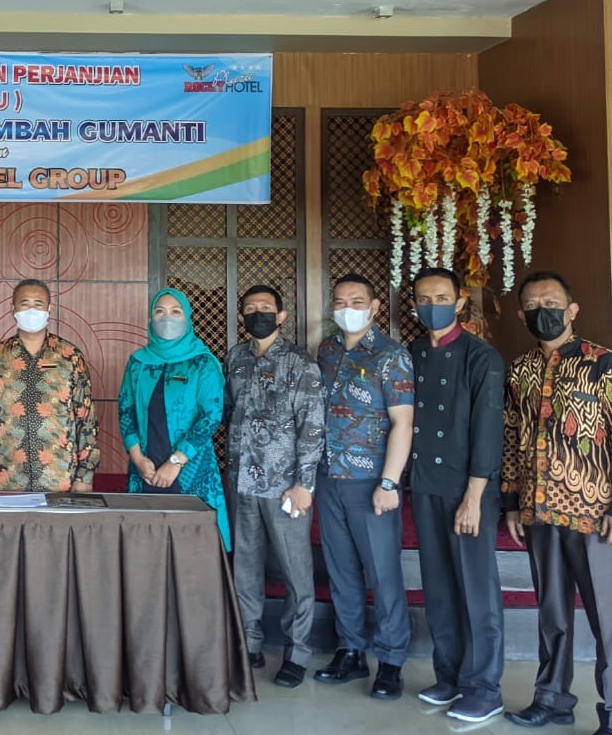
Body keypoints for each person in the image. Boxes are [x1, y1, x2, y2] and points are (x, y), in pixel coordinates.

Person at [502, 270, 612, 735]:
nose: (542, 311)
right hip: (539, 511)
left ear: (572, 309)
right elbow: (511, 438)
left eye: (551, 302)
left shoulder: (603, 365)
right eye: (532, 305)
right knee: (552, 612)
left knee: (608, 619)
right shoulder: (520, 370)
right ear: (521, 314)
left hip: (595, 515)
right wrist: (511, 501)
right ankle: (552, 698)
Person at [408, 267, 506, 722]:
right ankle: (448, 676)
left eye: (442, 297)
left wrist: (474, 497)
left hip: (468, 487)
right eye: (425, 298)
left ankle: (484, 687)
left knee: (476, 588)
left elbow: (487, 431)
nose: (433, 306)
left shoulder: (481, 357)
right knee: (439, 586)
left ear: (460, 302)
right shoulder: (413, 353)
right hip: (426, 483)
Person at [313, 273, 414, 699]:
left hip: (371, 480)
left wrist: (389, 481)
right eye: (340, 302)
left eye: (357, 301)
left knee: (382, 572)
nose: (347, 308)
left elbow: (403, 423)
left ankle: (391, 659)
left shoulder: (391, 356)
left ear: (374, 307)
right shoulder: (327, 350)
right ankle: (350, 649)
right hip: (328, 477)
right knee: (341, 570)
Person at [222, 283, 324, 688]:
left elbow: (312, 427)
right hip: (242, 482)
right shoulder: (235, 358)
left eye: (266, 307)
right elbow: (229, 412)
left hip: (285, 487)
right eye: (250, 308)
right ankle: (249, 641)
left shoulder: (301, 363)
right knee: (245, 567)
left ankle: (297, 651)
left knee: (295, 570)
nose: (258, 313)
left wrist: (304, 484)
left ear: (282, 316)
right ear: (241, 317)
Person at [119, 289, 230, 548]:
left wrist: (176, 461)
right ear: (150, 319)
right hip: (145, 467)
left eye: (175, 312)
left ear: (187, 319)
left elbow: (211, 415)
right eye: (160, 312)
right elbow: (125, 410)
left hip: (190, 466)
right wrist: (137, 457)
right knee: (146, 543)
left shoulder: (202, 363)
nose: (167, 317)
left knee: (191, 545)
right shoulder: (138, 363)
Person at [0, 279, 97, 492]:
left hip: (60, 478)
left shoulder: (69, 356)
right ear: (13, 308)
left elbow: (86, 419)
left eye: (38, 304)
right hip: (7, 479)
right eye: (25, 304)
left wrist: (85, 476)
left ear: (49, 309)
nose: (32, 310)